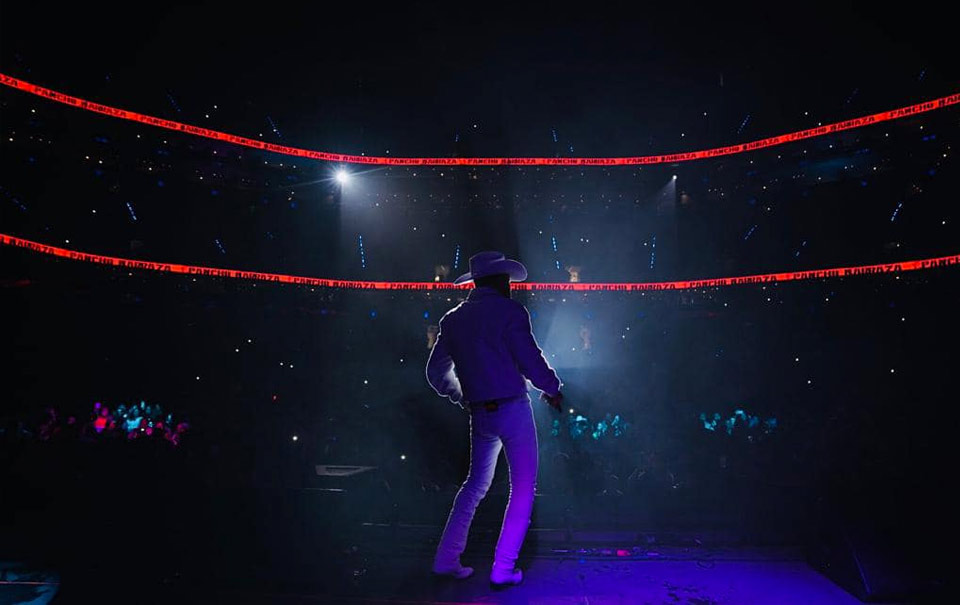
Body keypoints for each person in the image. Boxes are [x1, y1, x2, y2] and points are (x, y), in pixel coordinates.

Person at [426, 251, 563, 587]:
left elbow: (434, 373)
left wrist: (461, 395)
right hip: (514, 410)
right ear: (501, 281)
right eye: (508, 281)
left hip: (480, 415)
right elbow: (530, 360)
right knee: (523, 489)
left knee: (474, 487)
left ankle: (446, 561)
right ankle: (503, 569)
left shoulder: (452, 319)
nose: (512, 287)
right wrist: (553, 388)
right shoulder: (510, 311)